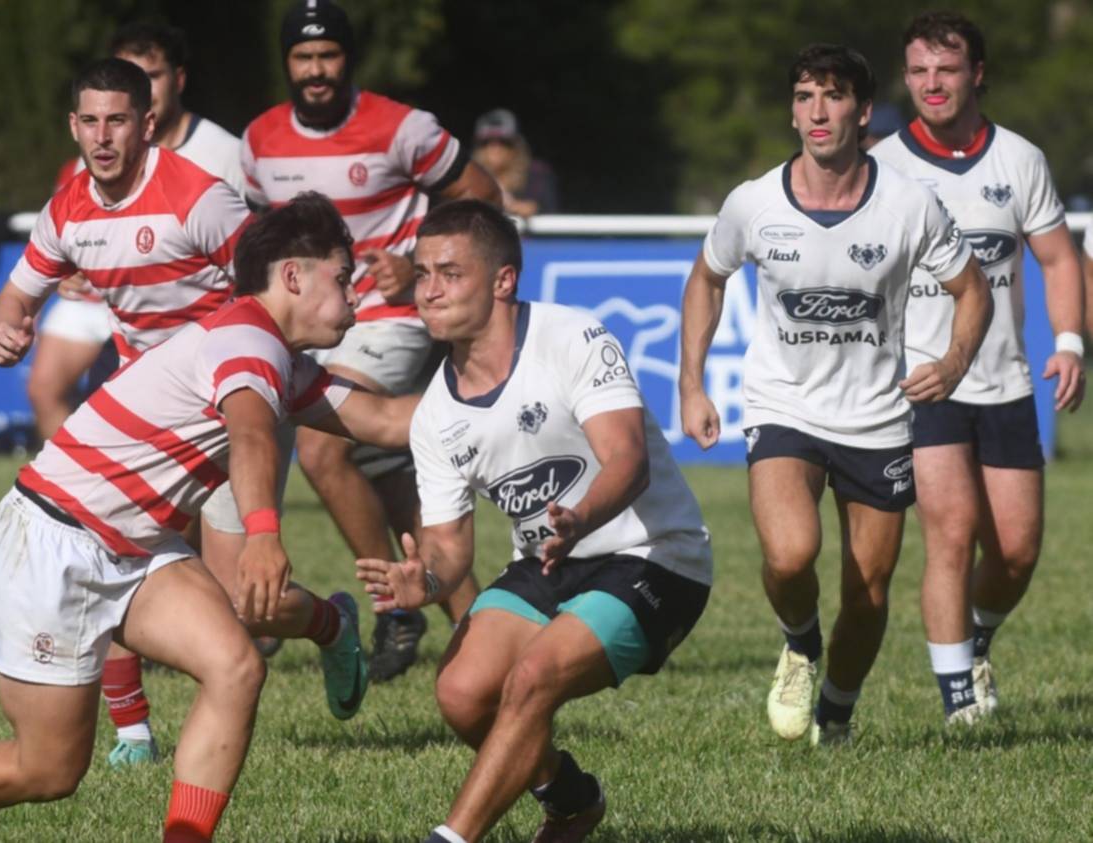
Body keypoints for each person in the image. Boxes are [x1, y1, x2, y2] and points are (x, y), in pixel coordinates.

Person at [0, 193, 416, 843]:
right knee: (47, 770)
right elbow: (250, 437)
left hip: (134, 546)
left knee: (237, 667)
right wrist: (264, 534)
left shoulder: (279, 357)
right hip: (53, 540)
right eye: (343, 277)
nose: (356, 296)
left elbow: (385, 420)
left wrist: (501, 386)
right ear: (294, 276)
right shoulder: (248, 341)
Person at [355, 200, 711, 843]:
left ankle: (454, 837)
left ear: (503, 281)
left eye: (449, 273)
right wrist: (425, 581)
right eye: (422, 274)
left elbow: (629, 461)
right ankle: (571, 802)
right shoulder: (437, 411)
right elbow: (448, 548)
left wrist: (580, 517)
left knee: (532, 678)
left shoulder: (571, 336)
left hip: (654, 556)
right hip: (549, 563)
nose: (428, 291)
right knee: (462, 694)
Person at [679, 44, 992, 744]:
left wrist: (956, 359)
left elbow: (972, 288)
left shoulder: (909, 204)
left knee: (869, 589)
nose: (817, 112)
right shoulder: (754, 202)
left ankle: (838, 711)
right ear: (792, 112)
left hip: (878, 417)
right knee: (790, 554)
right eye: (803, 96)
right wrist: (691, 383)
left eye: (832, 96)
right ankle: (799, 643)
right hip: (782, 406)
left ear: (862, 110)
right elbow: (706, 278)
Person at [242, 0, 502, 682]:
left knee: (324, 449)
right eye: (303, 58)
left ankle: (394, 610)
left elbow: (483, 198)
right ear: (286, 64)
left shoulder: (402, 127)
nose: (316, 70)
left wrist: (419, 264)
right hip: (311, 328)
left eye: (328, 56)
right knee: (390, 476)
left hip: (388, 315)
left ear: (348, 59)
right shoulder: (260, 140)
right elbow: (261, 241)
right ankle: (477, 630)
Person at [869, 11, 1086, 723]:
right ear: (907, 78)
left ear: (977, 74)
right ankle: (960, 701)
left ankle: (979, 637)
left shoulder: (1018, 160)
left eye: (948, 69)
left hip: (1006, 382)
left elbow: (1058, 258)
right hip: (925, 381)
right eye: (920, 71)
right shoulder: (884, 167)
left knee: (1018, 551)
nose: (933, 83)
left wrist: (1070, 341)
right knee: (952, 530)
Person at [32, 21, 243, 449]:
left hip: (189, 310)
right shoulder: (96, 154)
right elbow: (64, 236)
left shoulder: (223, 155)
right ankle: (93, 486)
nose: (136, 86)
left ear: (178, 80)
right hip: (103, 297)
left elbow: (254, 256)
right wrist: (69, 268)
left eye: (150, 76)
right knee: (44, 388)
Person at [471, 108, 560, 217]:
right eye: (486, 142)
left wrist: (528, 208)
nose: (495, 148)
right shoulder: (469, 177)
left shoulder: (536, 173)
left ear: (517, 147)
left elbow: (550, 211)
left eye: (504, 142)